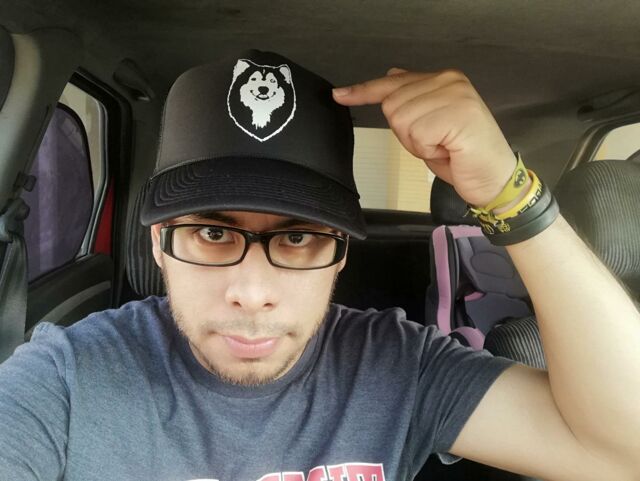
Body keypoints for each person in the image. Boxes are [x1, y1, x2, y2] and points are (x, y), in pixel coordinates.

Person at [0, 50, 638, 481]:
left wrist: (509, 194)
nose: (252, 292)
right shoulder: (65, 378)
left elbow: (620, 453)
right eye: (213, 233)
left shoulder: (401, 369)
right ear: (160, 244)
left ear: (341, 256)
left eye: (299, 238)